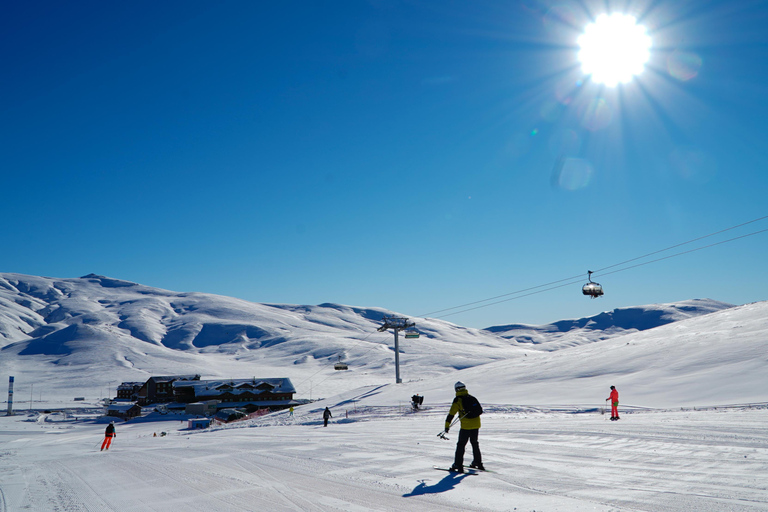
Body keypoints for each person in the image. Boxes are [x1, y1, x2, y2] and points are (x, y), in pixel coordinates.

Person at [444, 381, 483, 472]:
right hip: (476, 425)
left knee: (461, 445)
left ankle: (458, 464)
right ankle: (478, 462)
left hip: (466, 427)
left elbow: (451, 414)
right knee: (474, 443)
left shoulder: (458, 400)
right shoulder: (471, 397)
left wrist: (446, 426)